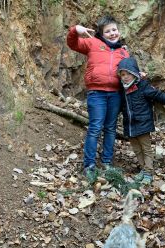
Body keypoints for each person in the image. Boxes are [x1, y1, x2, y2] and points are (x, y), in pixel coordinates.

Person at [67, 15, 130, 178]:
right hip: (97, 93)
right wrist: (75, 30)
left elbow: (129, 74)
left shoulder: (124, 52)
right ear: (101, 34)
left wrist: (138, 74)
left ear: (119, 31)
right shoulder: (93, 43)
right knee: (95, 128)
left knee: (110, 128)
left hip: (115, 94)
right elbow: (72, 44)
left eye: (114, 30)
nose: (112, 33)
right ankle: (89, 166)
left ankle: (107, 162)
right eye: (108, 31)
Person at [118, 57, 165, 185]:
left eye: (129, 74)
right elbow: (118, 106)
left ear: (135, 74)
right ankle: (143, 169)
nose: (126, 77)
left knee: (146, 149)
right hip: (130, 125)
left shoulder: (143, 86)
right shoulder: (122, 90)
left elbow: (157, 95)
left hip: (143, 123)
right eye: (123, 74)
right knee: (137, 149)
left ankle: (148, 172)